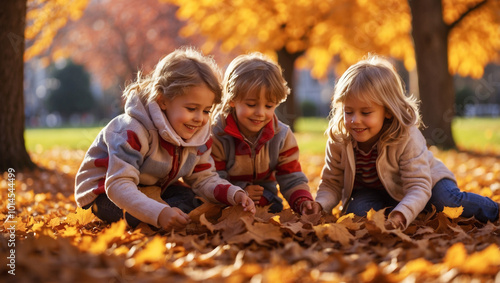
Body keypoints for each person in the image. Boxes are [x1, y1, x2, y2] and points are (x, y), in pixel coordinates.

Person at [75, 47, 255, 231]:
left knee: (196, 200)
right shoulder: (132, 130)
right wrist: (158, 213)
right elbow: (117, 185)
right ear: (162, 100)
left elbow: (203, 179)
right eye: (191, 109)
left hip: (152, 187)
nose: (200, 118)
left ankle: (169, 214)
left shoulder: (198, 136)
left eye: (206, 110)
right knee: (134, 215)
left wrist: (234, 194)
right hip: (103, 192)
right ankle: (159, 217)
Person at [313, 55, 500, 230]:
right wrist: (319, 205)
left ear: (387, 110)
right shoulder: (340, 140)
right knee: (358, 216)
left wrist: (401, 215)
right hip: (372, 191)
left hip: (427, 183)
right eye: (348, 112)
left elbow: (419, 186)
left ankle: (495, 210)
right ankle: (408, 209)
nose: (355, 120)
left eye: (366, 112)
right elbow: (332, 183)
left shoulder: (405, 137)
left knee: (447, 201)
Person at [211, 52, 318, 215]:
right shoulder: (218, 135)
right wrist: (239, 191)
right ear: (232, 100)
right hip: (224, 197)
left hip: (264, 196)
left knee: (272, 207)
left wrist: (302, 200)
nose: (260, 113)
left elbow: (291, 176)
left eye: (268, 106)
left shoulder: (281, 136)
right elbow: (212, 177)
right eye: (251, 104)